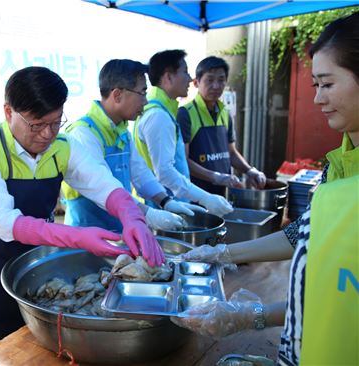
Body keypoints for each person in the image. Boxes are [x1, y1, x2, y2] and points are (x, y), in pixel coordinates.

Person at [172, 11, 359, 365]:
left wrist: (249, 314)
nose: (318, 99)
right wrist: (223, 254)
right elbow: (303, 240)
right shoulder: (337, 166)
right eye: (314, 85)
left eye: (328, 84)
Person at [0, 66, 165, 365]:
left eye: (56, 123)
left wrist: (133, 216)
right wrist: (78, 237)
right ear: (8, 112)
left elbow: (103, 184)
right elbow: (6, 224)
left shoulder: (63, 146)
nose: (47, 134)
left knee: (34, 341)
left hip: (33, 256)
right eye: (37, 124)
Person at [62, 59, 206, 233]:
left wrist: (166, 202)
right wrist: (148, 214)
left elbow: (141, 174)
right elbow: (103, 188)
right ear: (117, 95)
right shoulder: (84, 134)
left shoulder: (122, 131)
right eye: (142, 93)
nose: (145, 101)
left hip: (119, 232)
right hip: (87, 236)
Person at [133, 50, 233, 217]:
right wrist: (205, 198)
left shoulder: (162, 111)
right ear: (168, 77)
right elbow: (164, 172)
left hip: (171, 203)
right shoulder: (159, 116)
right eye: (185, 72)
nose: (189, 78)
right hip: (165, 206)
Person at [177, 56, 267, 197]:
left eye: (221, 80)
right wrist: (216, 177)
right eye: (210, 80)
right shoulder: (185, 114)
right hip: (196, 195)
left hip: (222, 194)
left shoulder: (225, 113)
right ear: (196, 82)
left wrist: (250, 170)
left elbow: (231, 153)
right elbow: (183, 159)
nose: (216, 86)